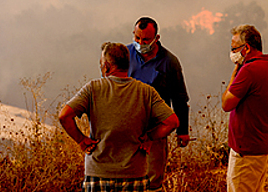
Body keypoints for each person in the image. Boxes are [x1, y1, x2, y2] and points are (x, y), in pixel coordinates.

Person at [59, 42, 180, 192]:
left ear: (107, 66)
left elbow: (64, 116)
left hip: (98, 174)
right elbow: (172, 122)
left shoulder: (93, 88)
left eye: (101, 63)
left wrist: (82, 140)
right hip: (134, 175)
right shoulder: (146, 92)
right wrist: (149, 137)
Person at [222, 24, 268, 192]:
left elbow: (226, 104)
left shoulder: (248, 71)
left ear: (246, 48)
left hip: (248, 149)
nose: (232, 53)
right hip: (266, 144)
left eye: (234, 48)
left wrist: (234, 76)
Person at [127, 17, 190, 192]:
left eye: (146, 39)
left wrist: (182, 131)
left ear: (157, 38)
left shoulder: (169, 62)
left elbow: (179, 98)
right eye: (137, 38)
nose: (140, 43)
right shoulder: (125, 54)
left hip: (156, 129)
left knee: (152, 178)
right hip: (127, 126)